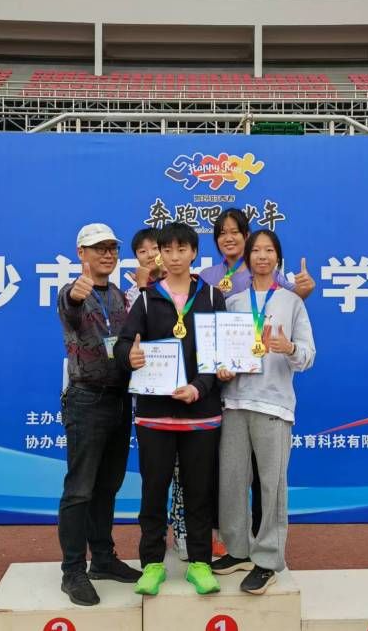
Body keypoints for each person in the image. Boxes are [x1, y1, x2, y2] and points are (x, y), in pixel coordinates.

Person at [115, 222, 226, 597]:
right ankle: (151, 564)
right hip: (154, 415)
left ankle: (199, 563)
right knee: (153, 490)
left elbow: (219, 353)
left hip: (201, 413)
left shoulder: (211, 296)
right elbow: (124, 344)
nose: (175, 257)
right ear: (160, 254)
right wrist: (129, 356)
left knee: (199, 492)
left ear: (194, 252)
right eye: (168, 250)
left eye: (182, 249)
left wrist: (199, 387)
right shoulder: (147, 299)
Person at [199, 207, 316, 542]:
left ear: (278, 258)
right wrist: (219, 369)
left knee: (270, 484)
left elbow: (307, 355)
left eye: (269, 250)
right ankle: (236, 550)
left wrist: (289, 348)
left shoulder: (290, 300)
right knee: (231, 483)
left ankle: (268, 555)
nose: (262, 256)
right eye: (257, 252)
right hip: (233, 402)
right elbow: (216, 346)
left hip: (273, 403)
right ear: (248, 258)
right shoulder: (232, 301)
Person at [56, 223, 142, 607]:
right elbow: (70, 306)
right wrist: (76, 295)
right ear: (81, 253)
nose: (107, 254)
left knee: (108, 486)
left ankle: (103, 559)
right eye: (98, 248)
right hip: (86, 400)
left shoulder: (122, 297)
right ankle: (72, 571)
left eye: (112, 248)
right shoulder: (72, 292)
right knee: (79, 490)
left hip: (120, 400)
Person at [124, 228, 191, 561]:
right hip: (151, 400)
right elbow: (127, 339)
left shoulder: (194, 289)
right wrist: (141, 288)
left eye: (155, 249)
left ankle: (184, 534)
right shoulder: (134, 294)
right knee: (156, 479)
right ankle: (154, 548)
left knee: (187, 476)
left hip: (191, 400)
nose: (151, 255)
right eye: (143, 251)